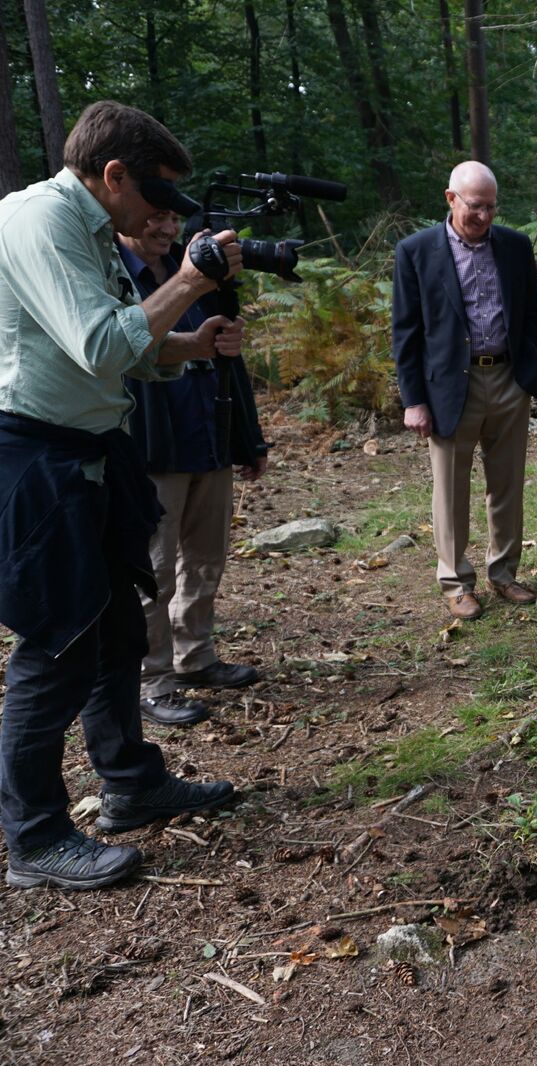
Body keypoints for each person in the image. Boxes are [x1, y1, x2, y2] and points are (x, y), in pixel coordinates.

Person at [0, 100, 241, 890]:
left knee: (113, 635)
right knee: (57, 645)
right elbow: (102, 346)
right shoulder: (40, 221)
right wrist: (189, 280)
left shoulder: (89, 229)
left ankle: (130, 782)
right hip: (37, 460)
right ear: (114, 176)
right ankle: (34, 836)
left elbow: (127, 346)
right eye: (159, 198)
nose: (165, 215)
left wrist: (190, 342)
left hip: (92, 453)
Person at [119, 210, 269, 727]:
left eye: (172, 218)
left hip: (210, 436)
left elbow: (231, 357)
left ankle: (195, 656)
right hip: (152, 448)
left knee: (206, 557)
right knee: (154, 570)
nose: (164, 228)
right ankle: (152, 681)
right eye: (153, 217)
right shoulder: (114, 277)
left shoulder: (197, 272)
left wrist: (249, 438)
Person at [392, 161, 537, 620]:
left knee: (507, 484)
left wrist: (530, 370)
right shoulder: (416, 251)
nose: (483, 216)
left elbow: (534, 314)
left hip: (507, 379)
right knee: (451, 490)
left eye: (491, 208)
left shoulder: (516, 247)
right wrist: (413, 400)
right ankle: (456, 581)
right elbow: (406, 332)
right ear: (450, 198)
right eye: (475, 206)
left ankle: (504, 573)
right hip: (447, 388)